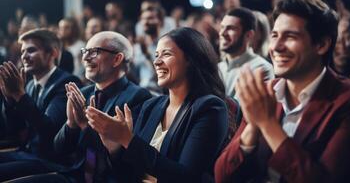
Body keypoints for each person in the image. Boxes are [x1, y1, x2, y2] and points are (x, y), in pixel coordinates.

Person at [215, 0, 350, 183]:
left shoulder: (348, 99)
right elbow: (221, 176)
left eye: (290, 36)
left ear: (322, 44)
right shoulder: (266, 92)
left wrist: (268, 124)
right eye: (274, 35)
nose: (276, 47)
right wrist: (252, 129)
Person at [85, 27, 228, 182]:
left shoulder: (210, 108)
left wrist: (128, 139)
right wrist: (115, 148)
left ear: (190, 60)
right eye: (156, 55)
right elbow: (129, 173)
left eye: (166, 54)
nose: (157, 62)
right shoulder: (151, 106)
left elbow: (185, 177)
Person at [53, 31, 152, 182]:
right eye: (85, 51)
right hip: (73, 176)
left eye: (94, 52)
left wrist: (85, 126)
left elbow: (127, 164)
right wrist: (71, 124)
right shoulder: (82, 94)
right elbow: (59, 150)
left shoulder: (137, 97)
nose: (85, 58)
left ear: (117, 59)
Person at [0, 28, 82, 181]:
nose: (24, 56)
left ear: (53, 53)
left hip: (50, 161)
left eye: (31, 50)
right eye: (23, 51)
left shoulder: (66, 83)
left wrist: (19, 95)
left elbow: (49, 131)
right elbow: (15, 130)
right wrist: (9, 99)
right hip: (27, 154)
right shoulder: (29, 85)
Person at [218, 8, 274, 99]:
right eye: (222, 27)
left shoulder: (261, 68)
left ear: (249, 35)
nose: (222, 33)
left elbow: (243, 110)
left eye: (231, 28)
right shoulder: (218, 68)